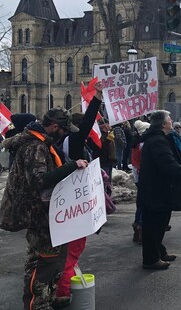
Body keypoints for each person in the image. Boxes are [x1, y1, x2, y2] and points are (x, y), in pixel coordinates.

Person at [2, 107, 88, 309]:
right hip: (37, 214)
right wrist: (72, 166)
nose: (65, 134)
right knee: (43, 263)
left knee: (52, 261)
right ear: (55, 126)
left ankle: (46, 300)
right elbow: (39, 180)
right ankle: (37, 304)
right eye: (64, 130)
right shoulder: (35, 147)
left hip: (45, 213)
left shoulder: (42, 144)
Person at [55, 81, 104, 306]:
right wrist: (97, 98)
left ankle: (60, 287)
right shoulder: (73, 143)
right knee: (71, 250)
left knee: (64, 251)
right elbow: (85, 125)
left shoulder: (53, 143)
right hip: (72, 202)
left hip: (62, 202)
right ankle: (63, 292)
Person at [138, 110, 181, 270]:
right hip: (155, 191)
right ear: (163, 124)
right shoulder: (157, 140)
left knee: (159, 224)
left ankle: (158, 252)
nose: (171, 121)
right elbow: (167, 162)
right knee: (154, 225)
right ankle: (150, 259)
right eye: (169, 119)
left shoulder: (161, 138)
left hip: (158, 190)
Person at [131, 120, 151, 244]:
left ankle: (138, 224)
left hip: (138, 175)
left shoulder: (136, 142)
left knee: (141, 202)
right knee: (146, 203)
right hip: (144, 175)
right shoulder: (143, 145)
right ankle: (141, 229)